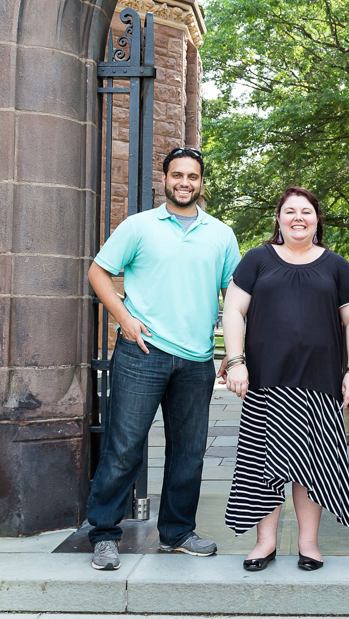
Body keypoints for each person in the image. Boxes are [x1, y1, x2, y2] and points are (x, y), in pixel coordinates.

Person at [86, 146, 240, 570]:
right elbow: (98, 271)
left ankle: (176, 533)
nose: (184, 183)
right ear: (165, 179)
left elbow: (236, 298)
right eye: (177, 175)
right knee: (124, 447)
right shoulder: (139, 227)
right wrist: (124, 318)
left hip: (197, 360)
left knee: (189, 452)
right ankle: (103, 533)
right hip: (142, 353)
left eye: (192, 176)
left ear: (201, 182)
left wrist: (234, 351)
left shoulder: (221, 235)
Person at [219, 187, 349, 572]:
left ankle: (308, 543)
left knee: (311, 465)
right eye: (290, 211)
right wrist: (236, 362)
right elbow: (233, 309)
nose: (298, 217)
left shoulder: (336, 265)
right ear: (279, 218)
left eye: (306, 211)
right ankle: (264, 543)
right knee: (261, 466)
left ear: (317, 219)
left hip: (319, 384)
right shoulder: (257, 260)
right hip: (267, 383)